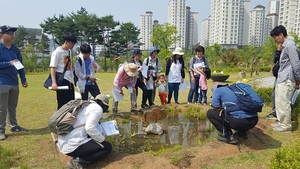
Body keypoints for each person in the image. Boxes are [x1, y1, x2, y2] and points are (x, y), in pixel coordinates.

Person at [56, 94, 112, 169]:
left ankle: (79, 155)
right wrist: (102, 139)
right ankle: (78, 161)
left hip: (64, 142)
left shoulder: (85, 104)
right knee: (107, 147)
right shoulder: (97, 108)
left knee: (97, 141)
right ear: (103, 104)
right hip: (73, 145)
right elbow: (89, 128)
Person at [0, 25, 28, 140]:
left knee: (12, 106)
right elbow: (11, 63)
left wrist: (23, 79)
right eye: (9, 33)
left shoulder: (15, 49)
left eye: (13, 33)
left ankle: (14, 126)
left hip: (14, 82)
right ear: (1, 35)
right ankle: (1, 130)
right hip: (2, 82)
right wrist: (9, 63)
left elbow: (20, 66)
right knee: (2, 108)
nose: (12, 35)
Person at [270, 25, 300, 132]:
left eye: (276, 37)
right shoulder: (284, 45)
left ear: (281, 35)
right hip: (282, 78)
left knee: (284, 102)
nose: (275, 39)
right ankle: (281, 122)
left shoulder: (290, 45)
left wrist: (297, 80)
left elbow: (296, 64)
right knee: (279, 102)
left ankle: (286, 126)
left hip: (287, 78)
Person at [49, 33, 77, 109]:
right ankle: (60, 120)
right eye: (72, 44)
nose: (73, 46)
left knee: (71, 103)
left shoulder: (69, 52)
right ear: (66, 42)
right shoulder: (57, 52)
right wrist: (54, 83)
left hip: (69, 80)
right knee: (62, 104)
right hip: (62, 80)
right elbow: (53, 67)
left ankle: (69, 119)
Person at [265, 44, 282, 119]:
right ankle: (274, 112)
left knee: (282, 97)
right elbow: (275, 60)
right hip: (278, 76)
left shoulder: (292, 51)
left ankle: (279, 115)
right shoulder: (281, 52)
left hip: (285, 77)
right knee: (274, 94)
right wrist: (278, 51)